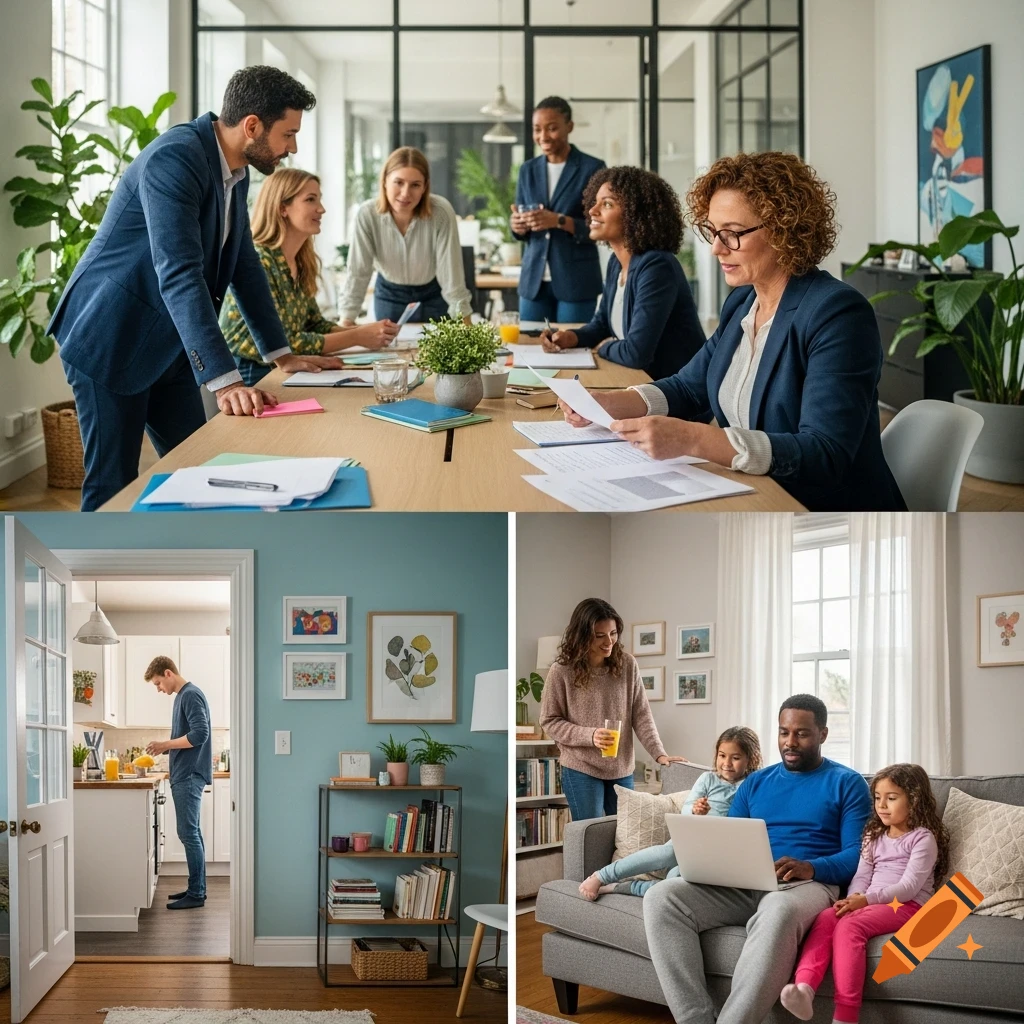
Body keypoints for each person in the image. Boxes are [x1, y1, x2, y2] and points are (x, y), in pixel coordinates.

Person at [48, 65, 342, 512]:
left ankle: (190, 565)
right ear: (251, 126)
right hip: (110, 336)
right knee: (112, 485)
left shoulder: (235, 173)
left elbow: (243, 265)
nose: (293, 147)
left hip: (168, 344)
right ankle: (90, 582)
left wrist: (280, 353)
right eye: (288, 134)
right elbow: (180, 272)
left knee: (200, 470)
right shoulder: (176, 158)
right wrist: (225, 384)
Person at [555, 152, 906, 512]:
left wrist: (695, 438)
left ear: (786, 229)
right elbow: (688, 388)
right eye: (713, 232)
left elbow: (825, 455)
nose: (716, 249)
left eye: (733, 234)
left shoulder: (838, 314)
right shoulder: (742, 303)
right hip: (749, 491)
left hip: (821, 510)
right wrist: (614, 402)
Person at [644, 694, 872, 1024]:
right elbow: (731, 837)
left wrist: (811, 866)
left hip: (809, 884)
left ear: (822, 734)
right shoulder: (755, 783)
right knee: (661, 897)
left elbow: (856, 855)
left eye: (801, 733)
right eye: (783, 732)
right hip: (746, 880)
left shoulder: (847, 783)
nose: (790, 742)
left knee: (777, 911)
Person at [781, 763, 948, 1024]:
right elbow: (862, 875)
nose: (882, 805)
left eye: (891, 798)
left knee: (850, 927)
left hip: (907, 904)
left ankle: (846, 1016)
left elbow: (909, 887)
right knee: (827, 917)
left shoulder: (922, 839)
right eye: (878, 798)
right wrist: (853, 898)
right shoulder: (874, 835)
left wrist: (865, 901)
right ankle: (804, 989)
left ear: (914, 800)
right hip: (870, 902)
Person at [220, 168, 400, 385]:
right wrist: (357, 336)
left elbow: (314, 324)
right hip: (254, 374)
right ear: (282, 208)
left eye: (319, 199)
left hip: (285, 368)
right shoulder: (260, 262)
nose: (321, 209)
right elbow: (286, 342)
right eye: (310, 200)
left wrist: (366, 332)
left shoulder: (300, 261)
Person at [540, 166, 705, 380]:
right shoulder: (616, 263)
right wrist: (570, 337)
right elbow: (602, 324)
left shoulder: (656, 267)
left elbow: (636, 353)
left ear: (635, 215)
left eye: (607, 204)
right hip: (638, 381)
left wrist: (604, 346)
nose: (592, 211)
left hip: (675, 395)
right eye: (595, 202)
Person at [539, 598, 687, 822]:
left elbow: (641, 714)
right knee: (590, 836)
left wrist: (659, 753)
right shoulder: (561, 671)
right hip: (581, 768)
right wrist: (590, 735)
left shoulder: (627, 665)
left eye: (613, 633)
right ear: (581, 635)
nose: (609, 641)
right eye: (600, 635)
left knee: (625, 834)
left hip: (621, 768)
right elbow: (550, 720)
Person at [579, 726, 762, 900]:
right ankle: (603, 875)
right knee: (668, 852)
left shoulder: (751, 785)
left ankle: (621, 887)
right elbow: (685, 813)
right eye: (722, 756)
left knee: (673, 882)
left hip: (715, 854)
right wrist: (696, 811)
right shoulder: (709, 779)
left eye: (735, 758)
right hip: (691, 837)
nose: (726, 763)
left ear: (751, 759)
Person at [339, 147, 473, 325]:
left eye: (415, 185)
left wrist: (465, 323)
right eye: (398, 182)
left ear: (425, 186)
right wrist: (346, 319)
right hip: (390, 296)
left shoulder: (441, 212)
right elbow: (358, 271)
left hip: (434, 295)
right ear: (385, 180)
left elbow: (451, 274)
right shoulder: (367, 214)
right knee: (391, 350)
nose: (405, 193)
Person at [510, 96, 605, 323]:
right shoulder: (528, 170)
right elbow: (520, 225)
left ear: (569, 126)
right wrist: (517, 225)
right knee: (528, 346)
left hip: (576, 280)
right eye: (537, 129)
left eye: (552, 128)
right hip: (534, 280)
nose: (543, 136)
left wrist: (559, 221)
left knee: (573, 350)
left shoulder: (593, 168)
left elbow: (601, 225)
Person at [143, 656, 213, 911]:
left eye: (158, 683)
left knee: (188, 833)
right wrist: (166, 748)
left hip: (188, 774)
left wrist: (165, 744)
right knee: (192, 832)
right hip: (186, 772)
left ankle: (196, 893)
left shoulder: (190, 694)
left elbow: (200, 734)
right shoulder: (183, 696)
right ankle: (197, 888)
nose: (159, 689)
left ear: (168, 673)